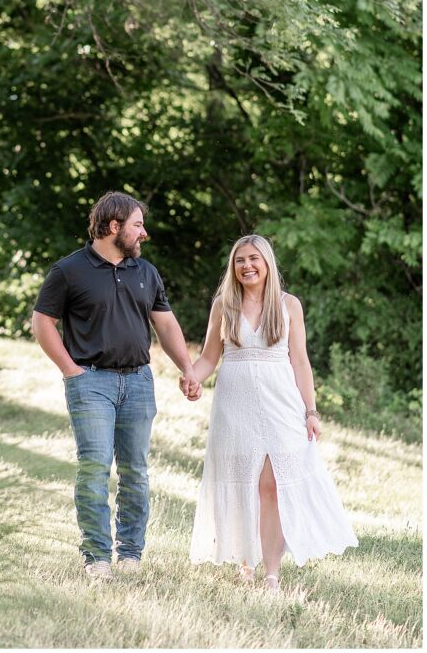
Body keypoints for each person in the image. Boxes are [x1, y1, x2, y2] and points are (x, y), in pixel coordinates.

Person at [32, 191, 201, 582]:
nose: (144, 233)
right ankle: (97, 557)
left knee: (136, 471)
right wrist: (71, 370)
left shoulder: (146, 272)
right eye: (138, 225)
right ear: (113, 227)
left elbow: (166, 324)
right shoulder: (69, 270)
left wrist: (188, 368)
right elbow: (42, 323)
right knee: (94, 469)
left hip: (139, 382)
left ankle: (130, 554)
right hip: (91, 382)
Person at [185, 234, 358, 591]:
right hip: (235, 406)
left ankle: (271, 573)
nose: (247, 265)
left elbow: (300, 361)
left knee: (272, 486)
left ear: (267, 264)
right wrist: (191, 378)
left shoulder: (288, 305)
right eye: (239, 260)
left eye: (253, 259)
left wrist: (311, 410)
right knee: (243, 483)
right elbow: (208, 359)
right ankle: (245, 562)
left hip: (281, 405)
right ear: (233, 267)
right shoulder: (223, 305)